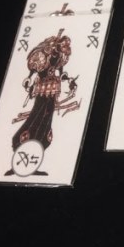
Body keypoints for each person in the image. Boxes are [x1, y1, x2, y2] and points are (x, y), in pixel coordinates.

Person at [6, 30, 78, 176]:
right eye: (63, 46)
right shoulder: (44, 53)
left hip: (53, 89)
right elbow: (33, 71)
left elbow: (61, 73)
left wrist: (69, 79)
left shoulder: (61, 56)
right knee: (37, 115)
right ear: (58, 45)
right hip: (42, 89)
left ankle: (38, 149)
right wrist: (29, 79)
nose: (65, 49)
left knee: (47, 118)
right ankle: (20, 145)